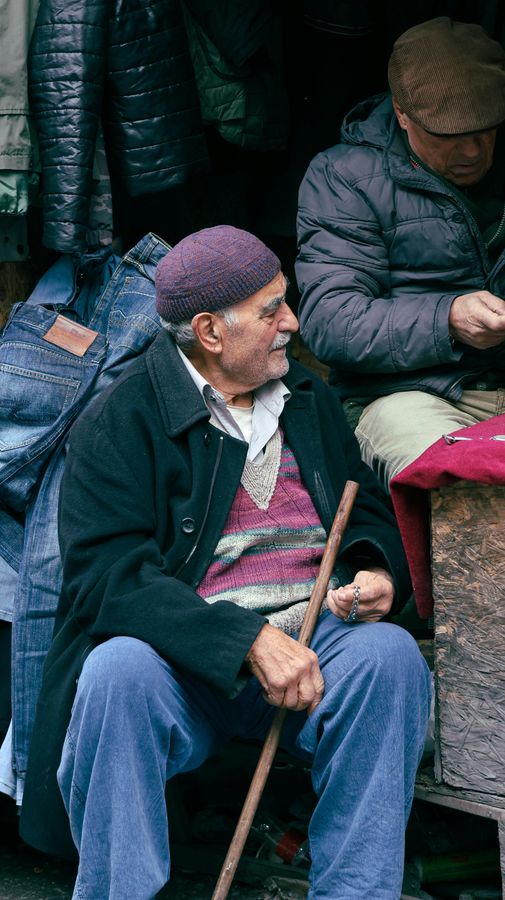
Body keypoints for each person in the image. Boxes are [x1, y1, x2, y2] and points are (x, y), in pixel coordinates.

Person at [19, 226, 430, 900]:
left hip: (315, 645)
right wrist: (245, 641)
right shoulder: (119, 421)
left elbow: (366, 514)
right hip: (184, 663)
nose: (291, 324)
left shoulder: (309, 399)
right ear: (209, 331)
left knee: (388, 656)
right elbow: (106, 580)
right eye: (271, 310)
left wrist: (375, 568)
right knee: (113, 672)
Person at [296, 16, 505, 488]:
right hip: (408, 395)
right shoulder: (343, 177)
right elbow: (331, 322)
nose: (472, 150)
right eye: (447, 136)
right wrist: (447, 318)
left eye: (485, 131)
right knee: (454, 482)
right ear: (402, 113)